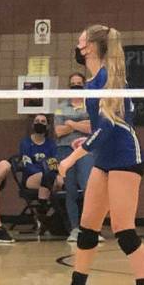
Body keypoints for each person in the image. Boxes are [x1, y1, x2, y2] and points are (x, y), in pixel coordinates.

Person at [52, 25, 144, 285]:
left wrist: (72, 157)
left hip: (125, 157)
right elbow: (100, 126)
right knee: (88, 229)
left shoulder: (110, 79)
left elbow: (110, 127)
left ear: (92, 47)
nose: (77, 44)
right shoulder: (91, 83)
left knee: (123, 230)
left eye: (81, 39)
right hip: (105, 158)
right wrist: (83, 139)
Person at [0, 114, 62, 240]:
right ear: (33, 125)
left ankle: (47, 212)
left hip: (48, 177)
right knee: (49, 177)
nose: (40, 123)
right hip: (31, 178)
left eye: (43, 121)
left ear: (48, 126)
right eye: (37, 121)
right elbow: (27, 165)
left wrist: (55, 173)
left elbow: (54, 162)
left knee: (57, 180)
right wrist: (44, 171)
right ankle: (42, 210)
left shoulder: (51, 143)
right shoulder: (26, 143)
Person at [54, 72, 94, 243]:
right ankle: (75, 228)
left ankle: (91, 228)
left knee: (88, 188)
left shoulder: (91, 105)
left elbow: (92, 128)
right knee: (70, 189)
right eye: (73, 83)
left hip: (86, 150)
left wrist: (70, 123)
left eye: (79, 83)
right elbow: (58, 131)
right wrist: (80, 125)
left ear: (84, 85)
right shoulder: (60, 107)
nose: (76, 85)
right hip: (65, 150)